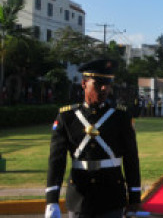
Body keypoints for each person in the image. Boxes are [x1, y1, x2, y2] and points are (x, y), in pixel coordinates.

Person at [45, 59, 141, 218]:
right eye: (98, 84)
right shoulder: (67, 117)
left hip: (112, 197)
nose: (104, 88)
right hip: (79, 198)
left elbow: (131, 159)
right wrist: (51, 200)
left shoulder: (121, 117)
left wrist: (134, 198)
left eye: (108, 84)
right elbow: (57, 161)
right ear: (84, 84)